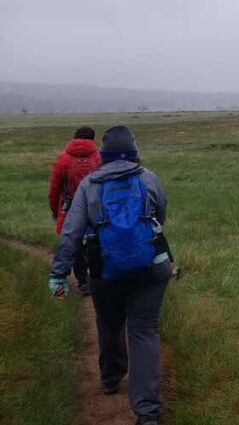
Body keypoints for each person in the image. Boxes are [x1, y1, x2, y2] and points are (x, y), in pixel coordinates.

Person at [49, 125, 172, 425]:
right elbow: (161, 217)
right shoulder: (150, 178)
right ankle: (147, 413)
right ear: (134, 153)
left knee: (109, 323)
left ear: (102, 155)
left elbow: (71, 234)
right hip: (151, 267)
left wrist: (59, 273)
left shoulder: (89, 185)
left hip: (104, 271)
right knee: (144, 332)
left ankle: (110, 377)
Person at [48, 125, 101, 294]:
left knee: (75, 242)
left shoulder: (63, 159)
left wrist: (55, 211)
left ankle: (82, 281)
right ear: (92, 140)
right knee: (96, 241)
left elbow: (54, 190)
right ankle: (97, 278)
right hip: (95, 206)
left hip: (69, 207)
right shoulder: (99, 158)